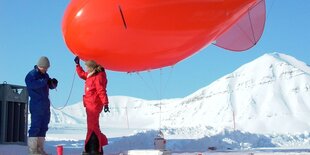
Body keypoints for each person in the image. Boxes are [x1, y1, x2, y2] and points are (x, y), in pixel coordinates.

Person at [74, 56, 109, 155]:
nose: (86, 69)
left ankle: (94, 149)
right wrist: (77, 65)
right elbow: (82, 75)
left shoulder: (97, 78)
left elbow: (101, 91)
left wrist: (105, 103)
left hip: (94, 105)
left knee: (93, 127)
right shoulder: (90, 75)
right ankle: (93, 148)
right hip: (89, 105)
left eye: (87, 67)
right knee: (92, 126)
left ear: (92, 68)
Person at [25, 56, 58, 155]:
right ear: (40, 66)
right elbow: (32, 85)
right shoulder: (31, 75)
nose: (46, 70)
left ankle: (40, 149)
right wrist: (44, 81)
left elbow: (48, 85)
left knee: (44, 126)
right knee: (35, 126)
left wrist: (53, 84)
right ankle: (32, 150)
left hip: (45, 104)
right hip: (36, 104)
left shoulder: (45, 75)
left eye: (47, 68)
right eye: (45, 68)